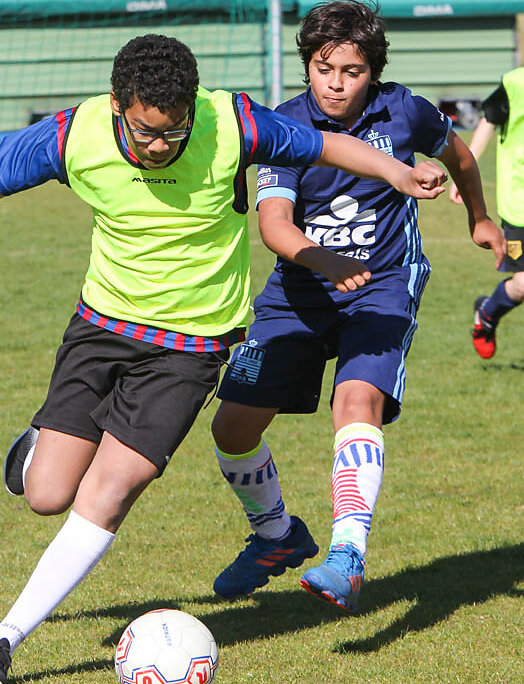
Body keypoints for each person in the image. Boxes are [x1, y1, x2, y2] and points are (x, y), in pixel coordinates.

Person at [0, 34, 447, 684]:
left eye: (174, 131)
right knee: (47, 495)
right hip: (100, 329)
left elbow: (325, 145)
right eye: (144, 132)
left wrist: (397, 173)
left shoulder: (231, 121)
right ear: (117, 105)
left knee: (109, 492)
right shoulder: (71, 134)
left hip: (190, 349)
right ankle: (42, 445)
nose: (160, 146)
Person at [210, 1, 505, 613]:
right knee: (231, 428)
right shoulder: (283, 126)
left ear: (374, 70)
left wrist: (478, 217)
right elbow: (274, 224)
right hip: (300, 287)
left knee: (355, 401)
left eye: (352, 71)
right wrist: (325, 263)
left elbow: (460, 156)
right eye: (324, 69)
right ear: (307, 66)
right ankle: (276, 535)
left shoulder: (406, 110)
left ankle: (347, 555)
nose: (336, 84)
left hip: (385, 283)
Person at [449, 69, 524, 358]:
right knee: (522, 284)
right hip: (519, 203)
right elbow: (488, 120)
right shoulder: (516, 84)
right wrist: (464, 171)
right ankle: (488, 313)